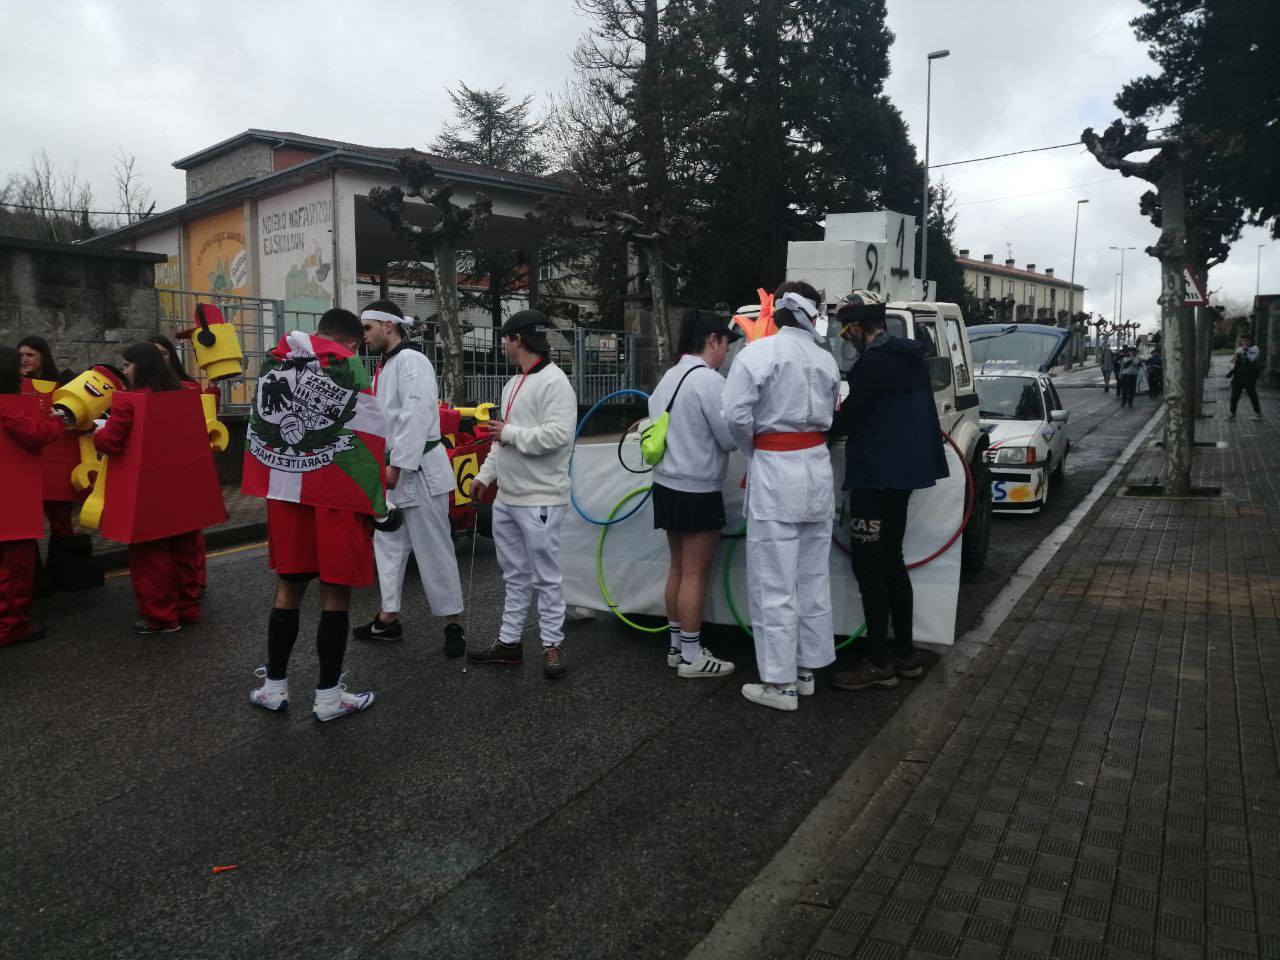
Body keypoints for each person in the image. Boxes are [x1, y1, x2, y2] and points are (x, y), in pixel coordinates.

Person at [246, 308, 386, 721]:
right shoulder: (349, 366)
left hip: (286, 490)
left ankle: (274, 687)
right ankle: (328, 698)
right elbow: (368, 436)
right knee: (335, 594)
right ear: (352, 342)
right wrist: (376, 502)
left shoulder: (275, 360)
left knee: (289, 588)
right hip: (336, 496)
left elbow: (260, 425)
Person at [722, 280, 842, 711]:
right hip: (816, 470)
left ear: (777, 311)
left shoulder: (758, 354)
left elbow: (734, 415)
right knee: (811, 577)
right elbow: (832, 413)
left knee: (774, 580)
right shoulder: (826, 359)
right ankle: (806, 670)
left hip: (776, 472)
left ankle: (780, 683)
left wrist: (755, 449)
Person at [827, 299, 949, 691]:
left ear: (857, 327)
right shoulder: (910, 358)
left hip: (875, 475)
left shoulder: (873, 364)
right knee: (892, 560)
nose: (847, 338)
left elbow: (851, 418)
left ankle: (879, 661)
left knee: (869, 566)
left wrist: (821, 424)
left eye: (846, 331)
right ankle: (905, 654)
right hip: (903, 476)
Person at [467, 309, 578, 679]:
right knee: (514, 575)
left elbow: (559, 435)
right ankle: (509, 642)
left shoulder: (555, 382)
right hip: (508, 498)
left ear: (518, 340)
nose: (502, 344)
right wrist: (485, 476)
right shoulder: (513, 382)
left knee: (546, 576)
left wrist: (509, 433)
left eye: (505, 338)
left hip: (541, 498)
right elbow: (502, 439)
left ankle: (552, 644)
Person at [355, 299, 466, 654]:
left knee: (433, 547)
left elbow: (415, 415)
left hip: (416, 470)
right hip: (394, 469)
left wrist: (397, 465)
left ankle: (452, 624)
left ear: (388, 326)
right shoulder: (386, 365)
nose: (363, 336)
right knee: (387, 544)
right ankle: (388, 618)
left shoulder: (412, 361)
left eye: (368, 328)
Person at [649, 309, 740, 678]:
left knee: (677, 568)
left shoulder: (668, 377)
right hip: (698, 489)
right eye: (726, 343)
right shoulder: (709, 382)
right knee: (694, 573)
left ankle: (676, 647)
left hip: (665, 485)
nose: (727, 352)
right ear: (712, 340)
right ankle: (691, 655)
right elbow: (729, 438)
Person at [92, 342, 204, 633]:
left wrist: (99, 432)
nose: (125, 371)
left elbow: (111, 442)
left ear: (140, 366)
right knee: (183, 550)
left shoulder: (128, 401)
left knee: (150, 556)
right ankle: (188, 609)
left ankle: (161, 616)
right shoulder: (183, 394)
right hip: (183, 486)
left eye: (128, 365)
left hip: (146, 490)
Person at [0, 346, 64, 647]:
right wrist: (59, 419)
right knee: (15, 566)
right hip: (11, 499)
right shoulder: (6, 406)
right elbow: (36, 434)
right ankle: (11, 626)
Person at [1228, 334, 1262, 421]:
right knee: (1234, 395)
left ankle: (1257, 413)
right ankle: (1232, 414)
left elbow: (1252, 359)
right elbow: (1234, 361)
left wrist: (1245, 350)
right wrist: (1236, 357)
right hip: (1238, 376)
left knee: (1252, 394)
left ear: (1251, 341)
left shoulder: (1254, 348)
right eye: (1243, 340)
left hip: (1249, 376)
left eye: (1246, 340)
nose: (1244, 342)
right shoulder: (1239, 349)